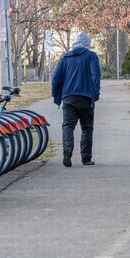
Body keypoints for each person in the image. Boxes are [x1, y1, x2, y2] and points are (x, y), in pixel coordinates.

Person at [51, 31, 101, 167]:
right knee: (87, 128)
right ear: (87, 43)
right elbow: (95, 76)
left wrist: (56, 94)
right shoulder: (91, 56)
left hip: (68, 98)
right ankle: (86, 158)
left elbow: (55, 78)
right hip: (86, 98)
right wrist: (95, 94)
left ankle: (67, 149)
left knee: (68, 126)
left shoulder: (65, 57)